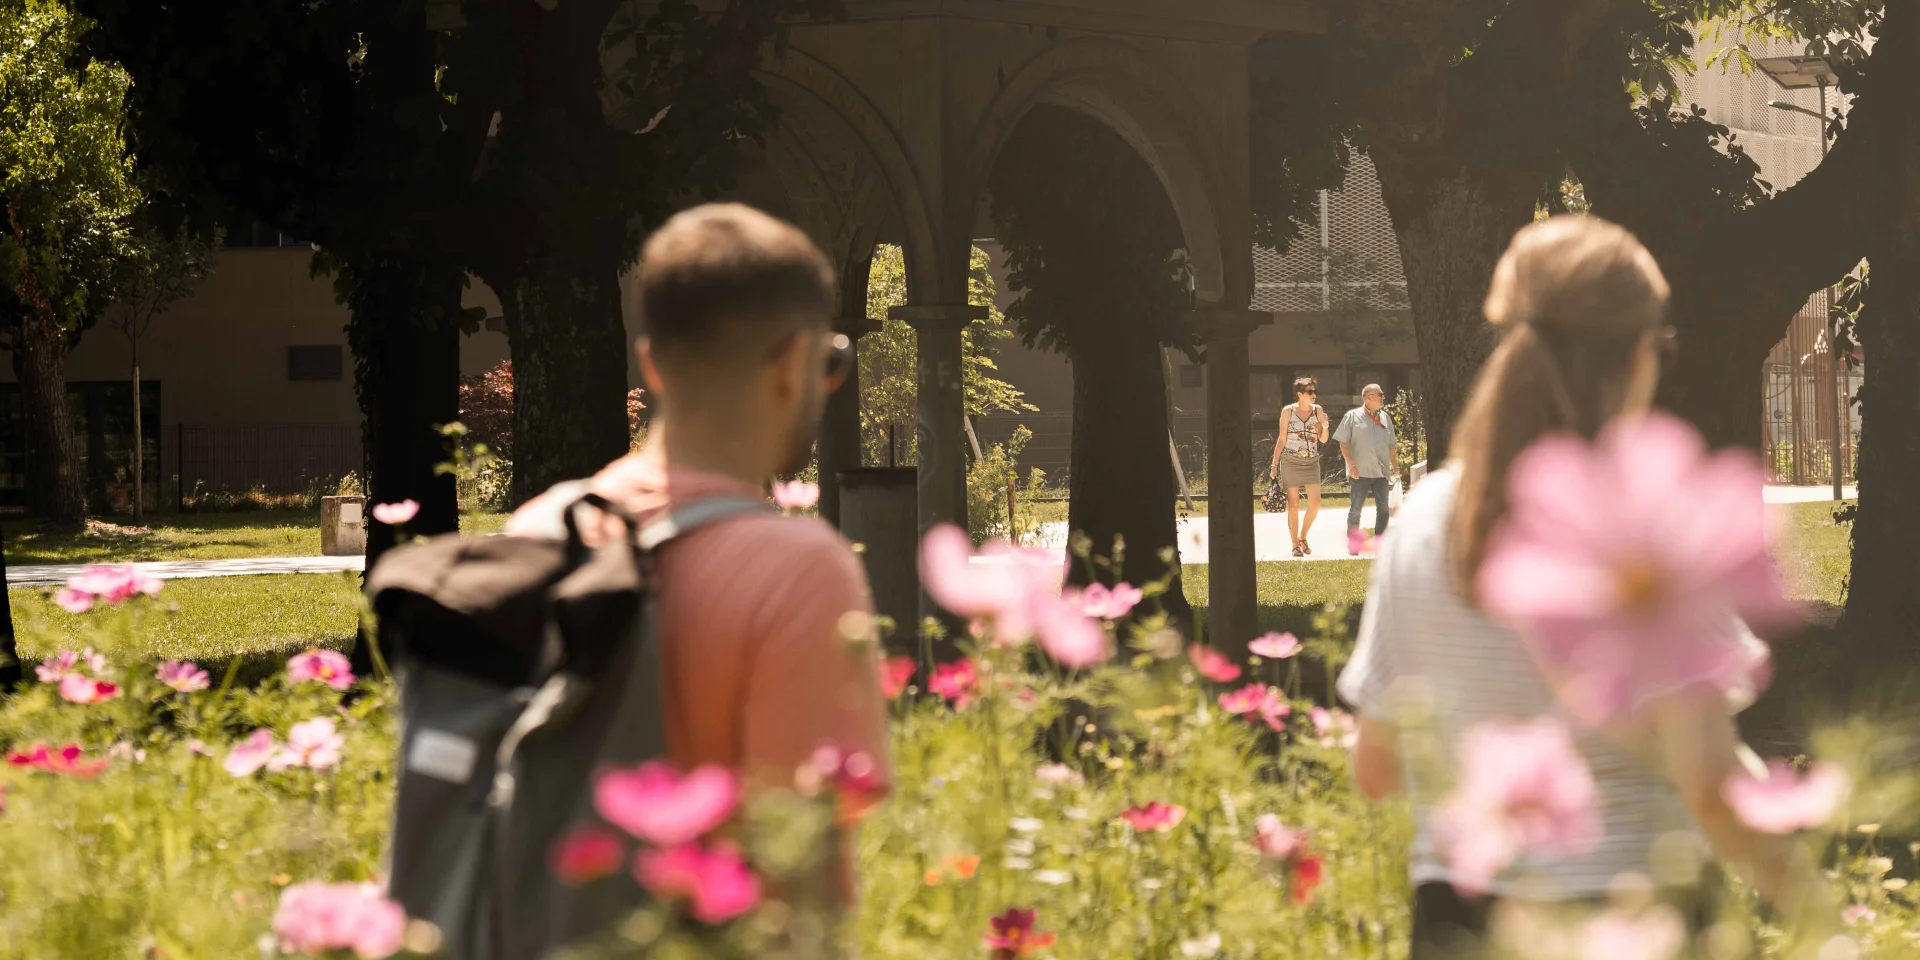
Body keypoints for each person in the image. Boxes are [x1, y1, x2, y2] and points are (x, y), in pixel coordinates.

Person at [1334, 217, 1822, 957]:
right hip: (1636, 917)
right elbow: (1708, 787)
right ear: (1639, 355)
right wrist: (1829, 925)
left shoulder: (1422, 520)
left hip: (1460, 925)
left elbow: (1376, 771)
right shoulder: (1646, 526)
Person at [507, 203, 889, 904]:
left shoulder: (538, 530)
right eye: (830, 360)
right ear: (794, 363)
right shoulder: (801, 571)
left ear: (652, 364)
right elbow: (802, 871)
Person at [1332, 383, 1397, 552]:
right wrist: (1351, 465)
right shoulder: (1352, 416)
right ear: (1368, 397)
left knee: (1384, 510)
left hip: (1381, 473)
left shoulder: (1385, 418)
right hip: (1359, 472)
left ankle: (1380, 543)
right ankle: (1353, 544)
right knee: (1356, 510)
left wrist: (1395, 467)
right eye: (1380, 394)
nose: (1383, 397)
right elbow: (1343, 443)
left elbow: (1392, 445)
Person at [1269, 376, 1328, 557]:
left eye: (1314, 391)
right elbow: (1282, 439)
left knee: (1315, 504)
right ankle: (1295, 544)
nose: (1313, 394)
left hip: (1311, 462)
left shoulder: (1318, 410)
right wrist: (1274, 464)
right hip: (1291, 461)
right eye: (1309, 391)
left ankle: (1302, 536)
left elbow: (1323, 439)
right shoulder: (1288, 411)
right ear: (1300, 394)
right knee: (1293, 505)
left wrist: (1325, 426)